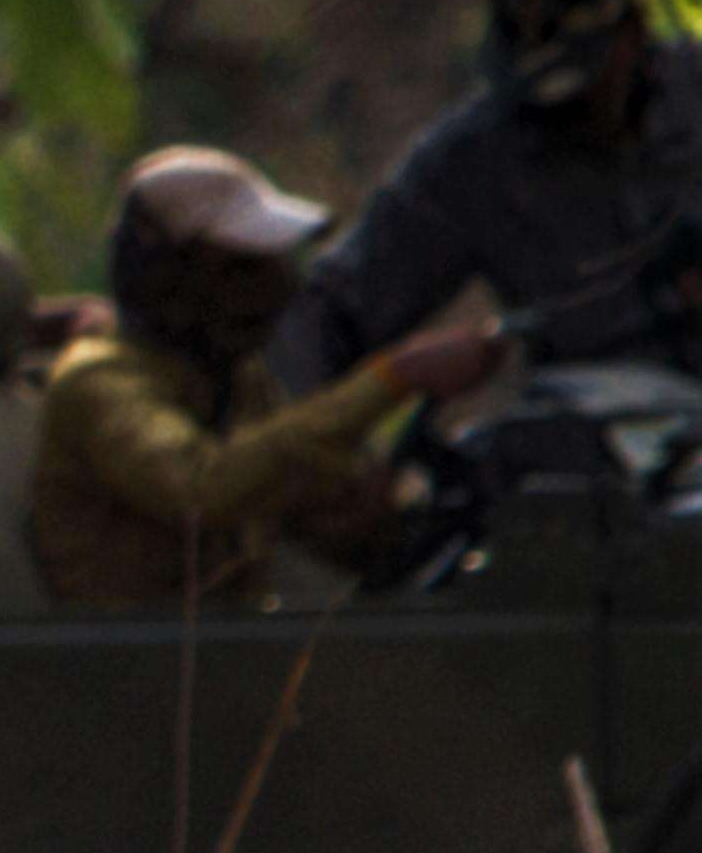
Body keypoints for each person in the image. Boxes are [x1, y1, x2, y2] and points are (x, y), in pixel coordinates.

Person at [38, 146, 502, 606]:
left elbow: (300, 500)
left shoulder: (232, 379)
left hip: (219, 657)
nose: (272, 287)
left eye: (272, 265)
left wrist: (376, 509)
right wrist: (394, 378)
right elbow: (201, 488)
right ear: (168, 278)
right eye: (240, 269)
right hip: (123, 671)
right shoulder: (98, 381)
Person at [278, 0, 702, 388]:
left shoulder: (692, 89)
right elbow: (333, 308)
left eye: (585, 85)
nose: (567, 114)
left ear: (634, 28)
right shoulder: (477, 159)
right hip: (595, 432)